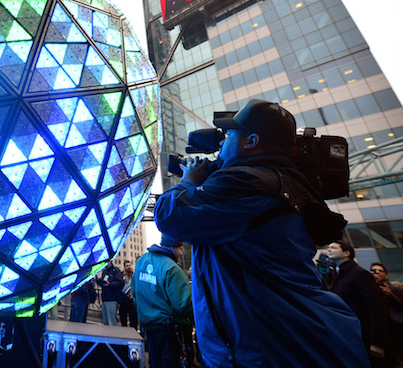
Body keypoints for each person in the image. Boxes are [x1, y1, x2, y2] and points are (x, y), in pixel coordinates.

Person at [153, 99, 370, 367]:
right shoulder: (281, 180)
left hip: (265, 349)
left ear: (251, 141)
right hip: (295, 338)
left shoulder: (248, 181)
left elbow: (170, 216)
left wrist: (188, 180)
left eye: (230, 133)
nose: (222, 141)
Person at [328, 241, 391, 366]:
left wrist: (376, 341)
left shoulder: (360, 274)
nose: (328, 250)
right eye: (328, 247)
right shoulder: (337, 274)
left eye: (333, 247)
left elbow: (375, 307)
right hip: (350, 333)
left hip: (365, 334)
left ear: (346, 253)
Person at [133, 235, 192, 368]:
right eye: (180, 248)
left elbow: (135, 292)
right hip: (168, 330)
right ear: (172, 248)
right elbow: (183, 306)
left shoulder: (142, 261)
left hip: (148, 327)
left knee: (154, 362)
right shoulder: (172, 269)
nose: (181, 253)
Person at [370, 262, 403, 366]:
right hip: (379, 329)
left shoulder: (394, 288)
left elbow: (401, 306)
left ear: (386, 274)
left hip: (395, 328)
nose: (377, 273)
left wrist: (390, 295)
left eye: (380, 271)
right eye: (374, 270)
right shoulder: (369, 289)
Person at [119, 260, 138, 329]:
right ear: (124, 267)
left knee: (133, 321)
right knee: (124, 322)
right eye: (127, 266)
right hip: (124, 301)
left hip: (132, 301)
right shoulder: (121, 276)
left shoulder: (134, 275)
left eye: (129, 265)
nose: (129, 267)